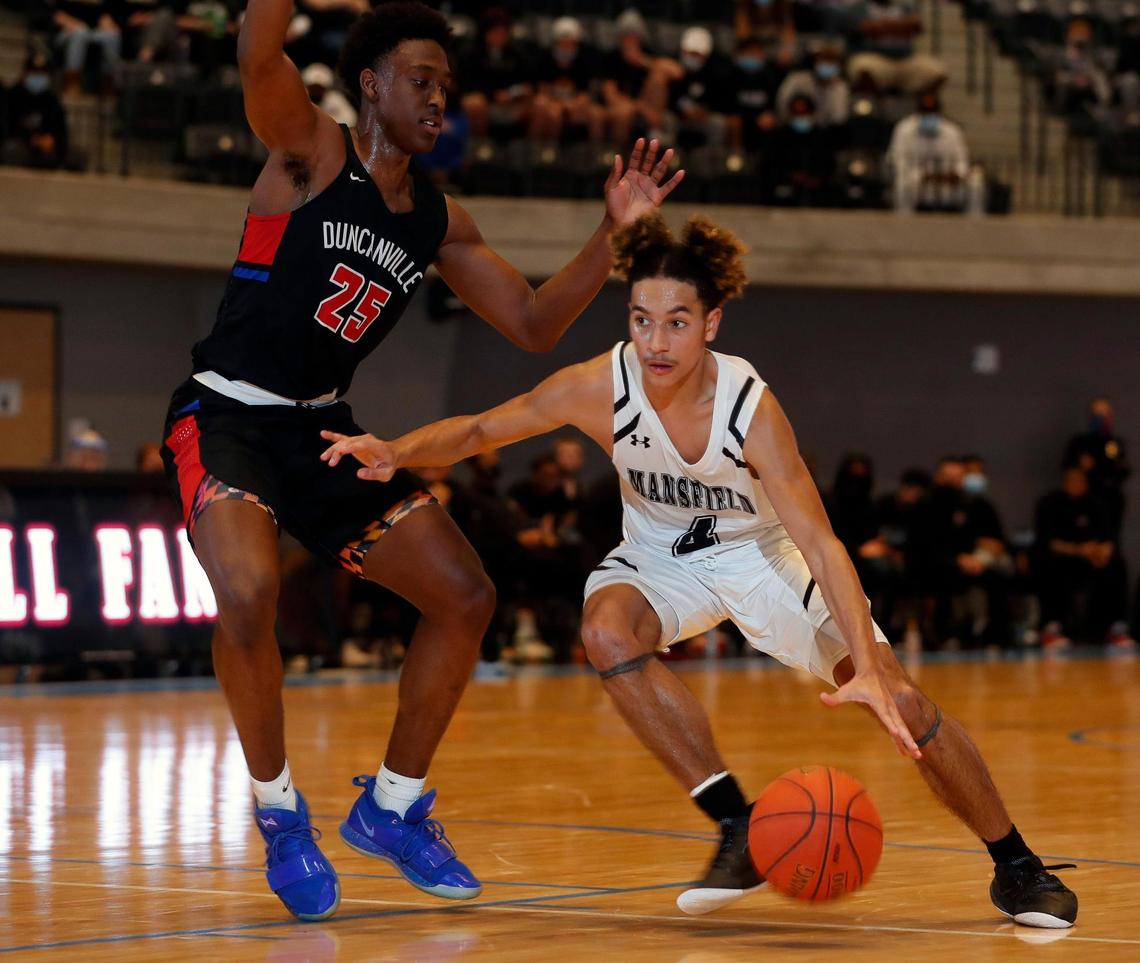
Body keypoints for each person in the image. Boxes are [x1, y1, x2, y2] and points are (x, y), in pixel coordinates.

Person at [321, 212, 1079, 930]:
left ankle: (1015, 864)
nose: (656, 339)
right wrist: (397, 450)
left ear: (710, 324)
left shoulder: (749, 406)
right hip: (660, 559)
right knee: (606, 631)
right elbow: (487, 426)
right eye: (642, 318)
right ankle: (737, 825)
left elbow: (819, 540)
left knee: (905, 702)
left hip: (764, 558)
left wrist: (874, 669)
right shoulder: (600, 385)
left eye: (677, 321)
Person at [158, 0, 683, 923]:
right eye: (422, 81)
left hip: (322, 430)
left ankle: (392, 808)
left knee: (466, 595)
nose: (441, 98)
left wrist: (616, 233)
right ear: (371, 84)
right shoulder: (310, 153)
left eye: (448, 85)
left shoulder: (436, 220)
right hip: (229, 414)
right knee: (246, 593)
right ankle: (281, 813)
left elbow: (531, 325)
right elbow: (256, 51)